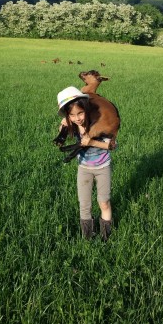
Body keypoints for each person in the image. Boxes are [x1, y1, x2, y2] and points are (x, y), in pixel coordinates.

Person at [56, 86, 116, 241]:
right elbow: (62, 129)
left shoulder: (99, 122)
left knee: (104, 203)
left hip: (103, 168)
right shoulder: (73, 124)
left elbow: (112, 145)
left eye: (80, 113)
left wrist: (92, 142)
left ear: (86, 109)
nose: (78, 118)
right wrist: (64, 125)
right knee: (84, 205)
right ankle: (87, 239)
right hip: (84, 169)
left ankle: (106, 238)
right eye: (72, 115)